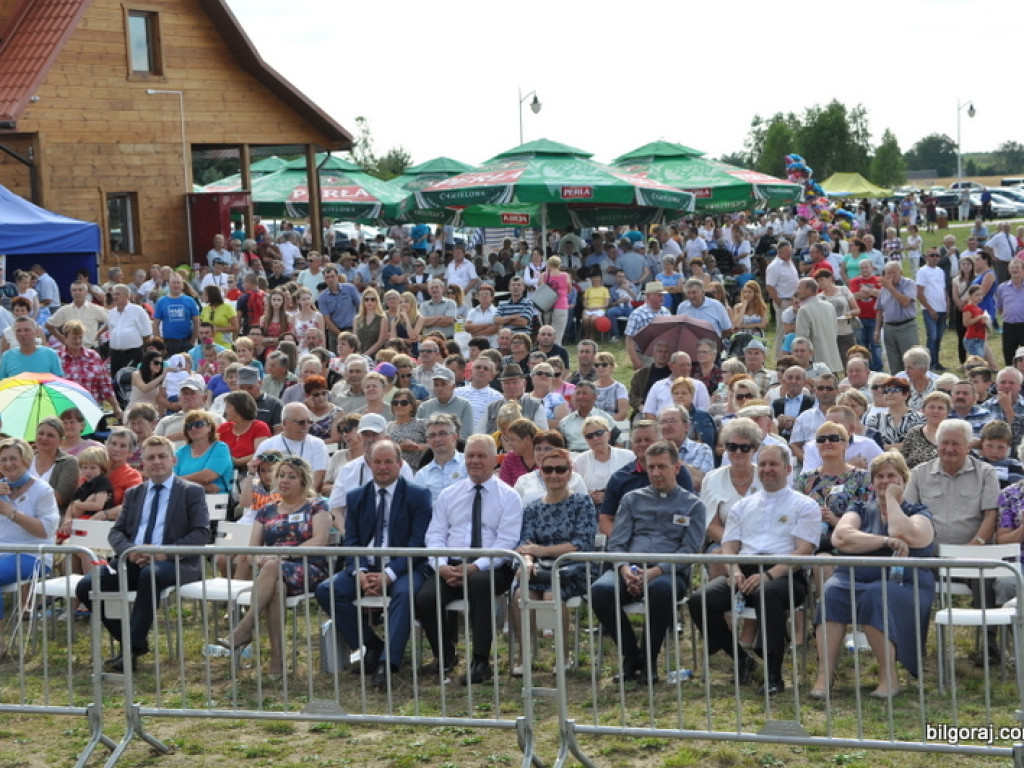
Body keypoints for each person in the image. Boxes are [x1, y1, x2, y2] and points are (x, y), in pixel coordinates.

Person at [688, 444, 819, 695]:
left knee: (767, 593)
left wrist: (768, 575)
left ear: (788, 469)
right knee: (699, 600)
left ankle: (773, 675)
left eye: (774, 464)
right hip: (744, 571)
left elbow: (803, 551)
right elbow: (728, 545)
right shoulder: (742, 506)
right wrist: (734, 570)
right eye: (764, 464)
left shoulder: (805, 505)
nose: (767, 469)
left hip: (786, 573)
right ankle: (741, 659)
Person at [76, 436, 209, 672]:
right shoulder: (134, 493)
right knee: (86, 585)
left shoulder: (192, 492)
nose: (156, 462)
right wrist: (129, 552)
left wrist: (161, 554)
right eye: (150, 457)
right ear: (143, 464)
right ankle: (133, 642)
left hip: (174, 562)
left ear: (173, 460)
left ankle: (130, 651)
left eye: (161, 456)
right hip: (132, 560)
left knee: (151, 574)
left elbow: (201, 534)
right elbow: (116, 531)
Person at [813, 452, 935, 699]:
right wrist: (886, 542)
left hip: (904, 584)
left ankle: (889, 678)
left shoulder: (918, 511)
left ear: (904, 479)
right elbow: (842, 537)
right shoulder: (859, 507)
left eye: (892, 476)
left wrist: (891, 499)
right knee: (832, 591)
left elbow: (904, 531)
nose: (885, 481)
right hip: (853, 578)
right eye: (879, 476)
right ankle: (825, 676)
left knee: (875, 595)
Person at [316, 440, 432, 689]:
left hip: (405, 567)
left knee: (404, 593)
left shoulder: (418, 495)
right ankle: (371, 644)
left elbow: (417, 544)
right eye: (377, 462)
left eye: (388, 461)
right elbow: (352, 540)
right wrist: (359, 571)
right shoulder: (356, 496)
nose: (382, 467)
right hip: (366, 567)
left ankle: (388, 664)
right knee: (327, 590)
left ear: (400, 464)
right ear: (368, 465)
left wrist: (389, 575)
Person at [590, 441, 704, 683]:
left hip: (667, 571)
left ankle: (650, 660)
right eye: (651, 467)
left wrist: (653, 572)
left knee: (661, 590)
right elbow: (617, 543)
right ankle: (633, 656)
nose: (655, 473)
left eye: (662, 466)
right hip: (630, 567)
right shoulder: (632, 499)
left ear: (677, 467)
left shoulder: (693, 505)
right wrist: (624, 569)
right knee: (600, 590)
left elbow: (689, 550)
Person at [207, 456, 330, 680]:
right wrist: (261, 558)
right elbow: (253, 549)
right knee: (276, 589)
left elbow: (319, 540)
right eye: (281, 475)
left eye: (291, 476)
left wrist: (280, 554)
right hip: (272, 573)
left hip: (308, 566)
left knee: (273, 565)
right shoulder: (266, 511)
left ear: (303, 482)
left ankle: (245, 627)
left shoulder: (317, 506)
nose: (284, 480)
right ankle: (277, 659)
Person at [416, 435, 523, 684]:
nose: (475, 461)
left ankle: (480, 660)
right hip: (451, 564)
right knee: (425, 598)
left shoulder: (509, 496)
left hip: (492, 565)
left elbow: (506, 541)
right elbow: (435, 535)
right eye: (470, 456)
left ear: (495, 459)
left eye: (481, 456)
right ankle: (445, 654)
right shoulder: (449, 494)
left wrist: (475, 567)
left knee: (479, 584)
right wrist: (441, 566)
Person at [509, 447, 596, 676]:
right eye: (548, 469)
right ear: (541, 473)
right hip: (540, 567)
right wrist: (527, 562)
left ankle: (563, 656)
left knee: (551, 593)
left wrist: (543, 551)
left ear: (569, 473)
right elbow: (525, 543)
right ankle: (525, 654)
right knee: (521, 595)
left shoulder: (582, 503)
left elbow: (581, 543)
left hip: (572, 566)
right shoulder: (532, 508)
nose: (554, 474)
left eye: (560, 469)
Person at [0, 438, 60, 621]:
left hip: (33, 555)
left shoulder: (42, 490)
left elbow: (46, 530)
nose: (8, 464)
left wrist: (13, 514)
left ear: (26, 460)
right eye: (3, 460)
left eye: (13, 459)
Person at [701, 419, 764, 580]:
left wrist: (752, 546)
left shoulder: (766, 476)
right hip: (722, 542)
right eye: (732, 447)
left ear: (755, 449)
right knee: (719, 555)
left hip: (763, 543)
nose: (738, 452)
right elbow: (711, 525)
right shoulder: (711, 478)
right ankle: (721, 603)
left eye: (745, 448)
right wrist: (737, 545)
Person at [257, 403, 330, 493]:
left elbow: (317, 479)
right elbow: (256, 478)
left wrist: (299, 500)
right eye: (301, 422)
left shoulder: (318, 444)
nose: (306, 426)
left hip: (305, 499)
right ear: (285, 423)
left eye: (309, 421)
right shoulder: (267, 445)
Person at [572, 415, 634, 510]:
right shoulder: (579, 461)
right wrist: (588, 496)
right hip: (591, 508)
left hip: (623, 507)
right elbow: (574, 490)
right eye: (590, 436)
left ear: (608, 434)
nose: (595, 438)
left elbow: (635, 485)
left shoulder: (628, 457)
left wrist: (610, 496)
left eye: (599, 433)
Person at [175, 409, 234, 494]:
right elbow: (171, 480)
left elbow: (207, 476)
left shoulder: (220, 448)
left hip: (214, 501)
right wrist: (201, 486)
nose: (193, 428)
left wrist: (179, 480)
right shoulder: (181, 452)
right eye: (189, 426)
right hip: (184, 498)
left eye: (198, 424)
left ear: (210, 427)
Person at [876, 262, 920, 374]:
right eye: (888, 273)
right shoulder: (883, 289)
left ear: (901, 272)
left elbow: (905, 302)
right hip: (889, 328)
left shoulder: (908, 284)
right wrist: (877, 330)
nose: (891, 276)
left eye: (893, 273)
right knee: (893, 363)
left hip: (906, 326)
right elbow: (879, 310)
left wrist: (890, 288)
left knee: (911, 360)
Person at [413, 414, 465, 502]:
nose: (437, 439)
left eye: (442, 434)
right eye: (432, 435)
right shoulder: (421, 476)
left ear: (454, 437)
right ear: (428, 441)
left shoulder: (469, 465)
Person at [217, 391, 271, 470]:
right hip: (224, 470)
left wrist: (236, 462)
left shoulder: (259, 427)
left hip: (250, 472)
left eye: (228, 407)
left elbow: (261, 454)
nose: (225, 411)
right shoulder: (223, 427)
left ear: (240, 408)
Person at [865, 377, 923, 451]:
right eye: (886, 391)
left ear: (906, 394)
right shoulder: (875, 419)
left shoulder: (920, 418)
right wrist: (903, 446)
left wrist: (885, 447)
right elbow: (871, 445)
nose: (889, 394)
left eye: (894, 390)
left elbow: (919, 444)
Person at [625, 282, 672, 370]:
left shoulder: (666, 312)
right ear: (649, 296)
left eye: (662, 295)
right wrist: (636, 362)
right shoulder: (638, 314)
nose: (662, 298)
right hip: (645, 356)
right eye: (659, 295)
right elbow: (630, 340)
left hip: (664, 355)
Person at [901, 391, 952, 469]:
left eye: (940, 408)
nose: (936, 411)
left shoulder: (954, 434)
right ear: (924, 410)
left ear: (947, 412)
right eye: (931, 407)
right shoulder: (914, 433)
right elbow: (902, 463)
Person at [385, 387, 427, 469]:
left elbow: (434, 445)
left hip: (416, 469)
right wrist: (400, 447)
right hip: (392, 469)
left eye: (404, 403)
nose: (399, 405)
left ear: (412, 406)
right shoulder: (387, 427)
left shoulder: (422, 424)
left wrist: (417, 447)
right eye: (395, 403)